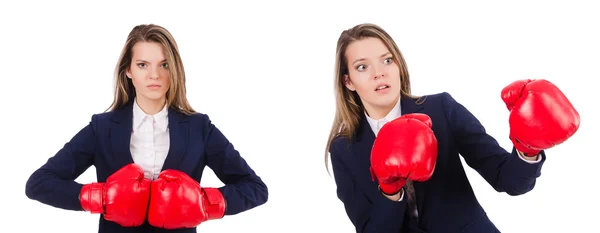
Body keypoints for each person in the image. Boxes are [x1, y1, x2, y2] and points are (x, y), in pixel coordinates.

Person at [324, 23, 579, 233]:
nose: (379, 73)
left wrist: (528, 148)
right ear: (348, 81)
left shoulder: (441, 109)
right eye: (362, 67)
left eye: (387, 60)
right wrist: (390, 191)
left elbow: (508, 180)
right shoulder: (343, 149)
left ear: (399, 65)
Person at [25, 24, 268, 233]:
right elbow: (39, 183)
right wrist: (100, 197)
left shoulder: (199, 128)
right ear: (128, 71)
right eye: (143, 65)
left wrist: (205, 202)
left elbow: (255, 188)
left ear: (174, 70)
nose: (155, 75)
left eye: (164, 65)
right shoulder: (102, 128)